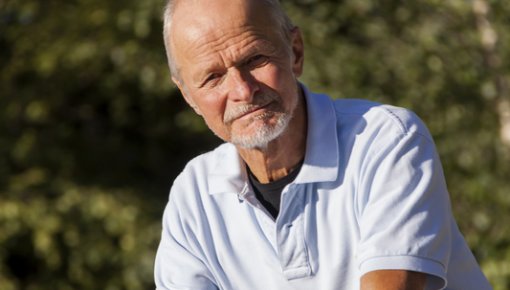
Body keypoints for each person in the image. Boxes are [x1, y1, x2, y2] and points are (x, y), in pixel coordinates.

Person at [154, 0, 492, 289]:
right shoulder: (193, 198)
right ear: (189, 96)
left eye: (255, 59)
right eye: (213, 77)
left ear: (295, 52)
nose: (242, 90)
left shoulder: (385, 142)